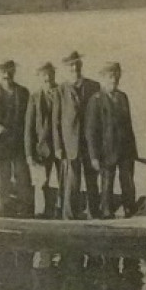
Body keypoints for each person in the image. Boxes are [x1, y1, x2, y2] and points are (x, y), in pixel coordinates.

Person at [86, 62, 138, 218]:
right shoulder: (95, 100)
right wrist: (94, 156)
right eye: (110, 76)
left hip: (125, 151)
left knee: (127, 183)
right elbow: (91, 131)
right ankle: (107, 212)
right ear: (103, 78)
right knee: (107, 183)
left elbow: (128, 126)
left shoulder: (123, 97)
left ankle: (130, 210)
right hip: (106, 152)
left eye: (116, 75)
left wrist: (133, 151)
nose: (114, 79)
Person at [55, 50, 102, 220]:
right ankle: (69, 216)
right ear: (67, 68)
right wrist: (58, 146)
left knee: (92, 179)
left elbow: (99, 117)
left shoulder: (93, 87)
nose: (74, 67)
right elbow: (56, 122)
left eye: (76, 64)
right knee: (72, 181)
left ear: (81, 65)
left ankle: (93, 214)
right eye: (70, 65)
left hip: (89, 142)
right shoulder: (60, 90)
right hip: (70, 143)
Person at [0, 60, 31, 216]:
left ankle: (25, 212)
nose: (7, 75)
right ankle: (3, 213)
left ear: (14, 73)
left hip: (19, 144)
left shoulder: (23, 93)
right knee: (2, 183)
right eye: (4, 73)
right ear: (0, 75)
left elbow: (30, 118)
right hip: (0, 146)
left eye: (10, 72)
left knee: (23, 180)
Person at [24, 61, 64, 218]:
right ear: (40, 77)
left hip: (62, 146)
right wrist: (28, 153)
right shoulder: (34, 97)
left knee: (64, 181)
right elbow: (28, 128)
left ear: (54, 75)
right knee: (42, 182)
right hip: (42, 148)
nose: (47, 78)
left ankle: (61, 211)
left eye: (50, 74)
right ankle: (43, 212)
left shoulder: (62, 93)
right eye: (44, 75)